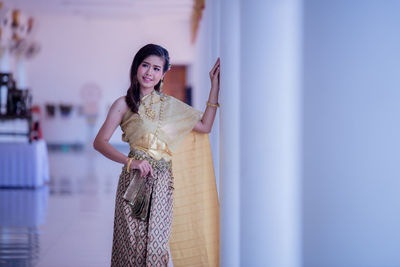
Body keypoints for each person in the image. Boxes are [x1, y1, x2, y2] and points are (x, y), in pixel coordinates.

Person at [93, 43, 220, 266]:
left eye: (156, 69)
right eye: (145, 65)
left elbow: (205, 126)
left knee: (156, 250)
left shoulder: (170, 106)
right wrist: (130, 162)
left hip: (162, 185)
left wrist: (215, 87)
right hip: (134, 183)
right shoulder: (123, 105)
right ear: (136, 67)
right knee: (131, 247)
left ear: (163, 74)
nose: (149, 73)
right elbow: (99, 142)